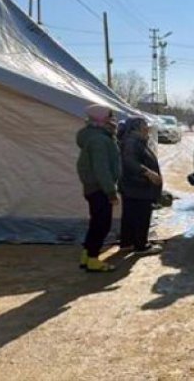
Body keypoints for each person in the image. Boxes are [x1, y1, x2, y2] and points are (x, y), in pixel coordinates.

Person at [76, 104, 121, 272]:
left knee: (96, 223)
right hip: (100, 188)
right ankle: (94, 260)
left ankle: (87, 255)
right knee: (102, 224)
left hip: (94, 187)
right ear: (100, 119)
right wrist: (110, 191)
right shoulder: (99, 140)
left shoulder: (96, 136)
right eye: (110, 117)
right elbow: (101, 168)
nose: (113, 120)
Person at [118, 117, 164, 255]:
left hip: (134, 186)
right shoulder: (132, 142)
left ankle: (127, 243)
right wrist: (148, 173)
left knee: (130, 215)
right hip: (138, 186)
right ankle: (140, 245)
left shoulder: (137, 141)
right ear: (137, 127)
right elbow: (129, 161)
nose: (148, 127)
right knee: (141, 216)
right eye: (145, 125)